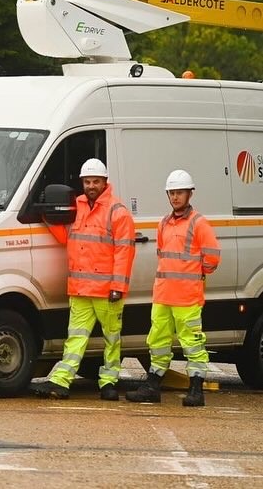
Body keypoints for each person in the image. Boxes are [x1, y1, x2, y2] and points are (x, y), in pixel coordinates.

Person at [30, 158, 136, 401]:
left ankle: (109, 382)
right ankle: (61, 381)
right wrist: (47, 216)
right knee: (75, 338)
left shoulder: (117, 212)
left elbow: (124, 251)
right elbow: (67, 236)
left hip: (107, 290)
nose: (91, 186)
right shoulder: (77, 207)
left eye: (95, 181)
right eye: (87, 181)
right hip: (80, 289)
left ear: (104, 182)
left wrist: (118, 286)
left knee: (112, 339)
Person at [126, 169, 220, 406]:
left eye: (180, 192)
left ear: (190, 194)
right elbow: (163, 255)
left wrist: (196, 274)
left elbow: (213, 257)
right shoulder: (164, 223)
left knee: (193, 343)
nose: (175, 197)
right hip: (163, 295)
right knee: (157, 341)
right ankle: (153, 385)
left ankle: (196, 390)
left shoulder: (199, 223)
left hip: (187, 298)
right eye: (172, 193)